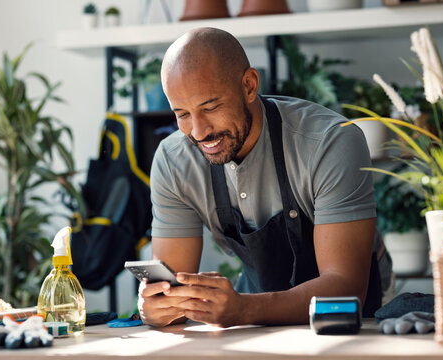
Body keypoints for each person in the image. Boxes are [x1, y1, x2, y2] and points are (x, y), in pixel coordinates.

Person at [138, 27, 392, 328]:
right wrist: (157, 306)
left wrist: (243, 310)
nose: (199, 131)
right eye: (182, 114)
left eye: (211, 107)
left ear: (249, 86)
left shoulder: (330, 142)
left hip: (350, 322)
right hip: (252, 317)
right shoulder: (174, 162)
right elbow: (172, 290)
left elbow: (345, 288)